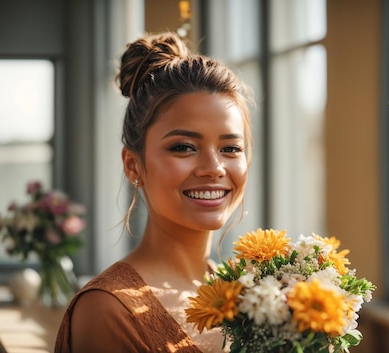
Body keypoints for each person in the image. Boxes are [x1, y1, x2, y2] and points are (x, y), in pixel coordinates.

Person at [55, 31, 253, 353]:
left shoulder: (248, 293)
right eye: (184, 147)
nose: (214, 167)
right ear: (133, 165)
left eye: (231, 148)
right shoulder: (109, 310)